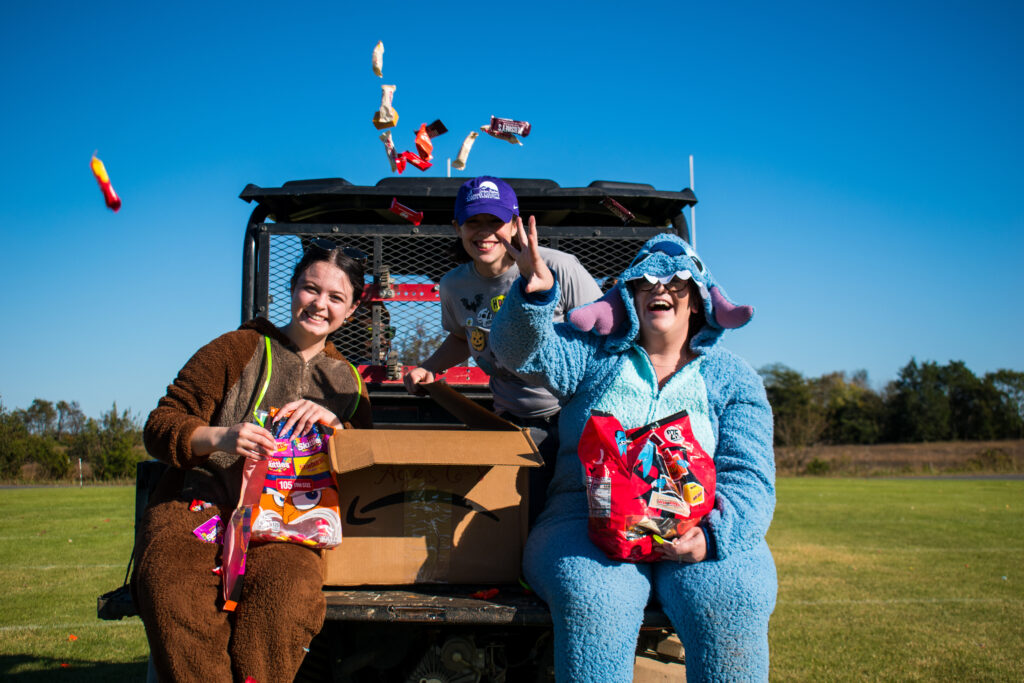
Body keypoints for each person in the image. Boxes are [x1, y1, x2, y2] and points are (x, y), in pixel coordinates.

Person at [490, 224, 776, 682]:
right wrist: (534, 292)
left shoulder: (734, 378)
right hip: (582, 520)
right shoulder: (592, 356)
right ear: (629, 295)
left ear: (699, 298)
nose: (660, 289)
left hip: (699, 529)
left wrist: (713, 537)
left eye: (677, 281)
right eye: (646, 281)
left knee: (733, 596)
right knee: (598, 597)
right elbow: (517, 351)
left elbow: (750, 476)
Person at [132, 240, 373, 683]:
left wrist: (338, 426)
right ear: (292, 289)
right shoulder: (236, 348)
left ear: (352, 309)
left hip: (290, 522)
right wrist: (223, 435)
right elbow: (161, 424)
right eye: (310, 289)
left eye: (336, 297)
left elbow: (367, 459)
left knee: (285, 601)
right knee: (175, 593)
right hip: (199, 504)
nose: (320, 304)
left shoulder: (349, 382)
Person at [402, 176, 601, 524]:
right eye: (473, 222)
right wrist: (430, 367)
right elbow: (463, 338)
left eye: (495, 221)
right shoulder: (453, 285)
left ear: (514, 224)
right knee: (506, 517)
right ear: (457, 227)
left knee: (563, 514)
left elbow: (604, 332)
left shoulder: (559, 267)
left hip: (571, 419)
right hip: (508, 421)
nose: (484, 232)